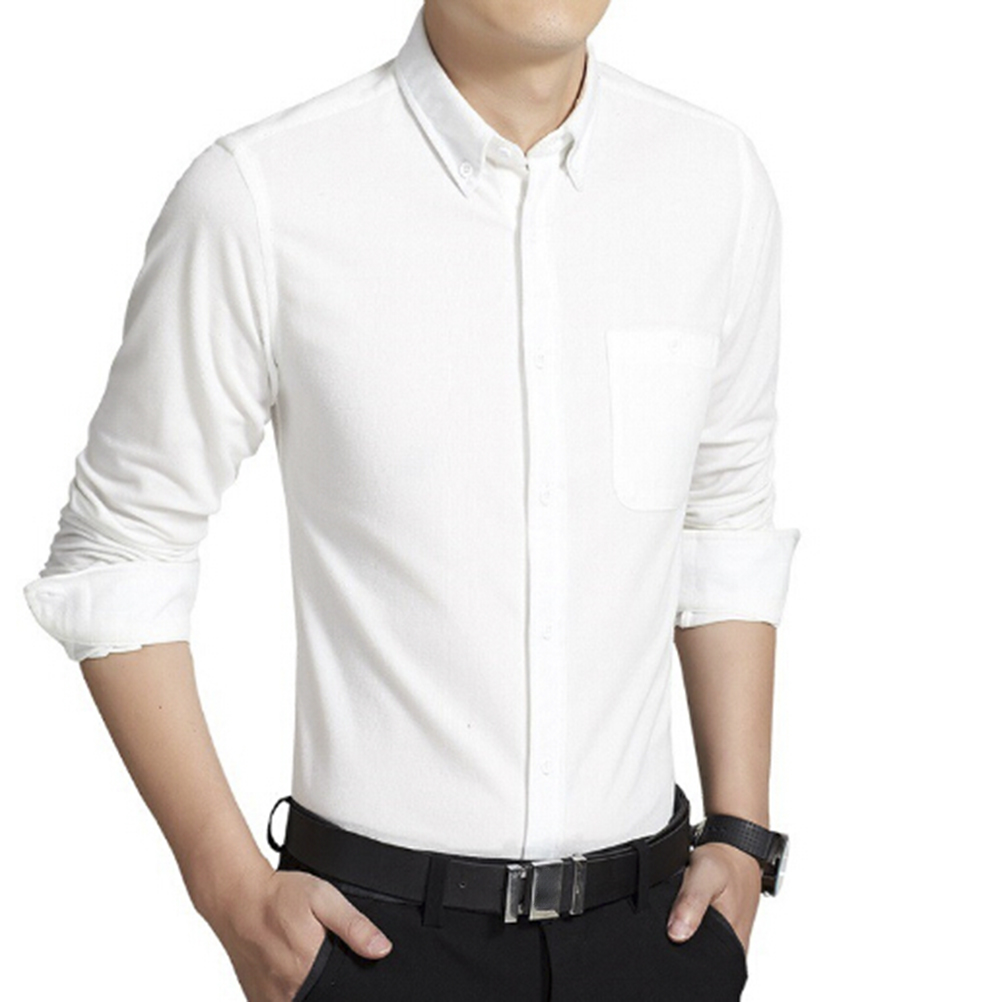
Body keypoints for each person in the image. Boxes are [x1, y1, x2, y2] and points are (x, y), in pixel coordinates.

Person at [22, 1, 801, 999]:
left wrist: (741, 833)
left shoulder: (713, 179)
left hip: (657, 937)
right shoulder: (262, 195)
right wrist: (230, 892)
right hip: (375, 949)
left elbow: (721, 515)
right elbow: (117, 549)